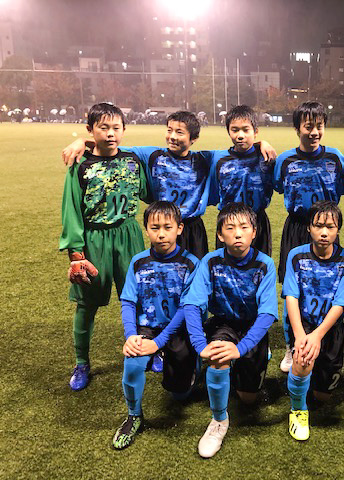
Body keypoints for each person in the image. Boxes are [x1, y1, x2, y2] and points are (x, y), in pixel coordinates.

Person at [61, 111, 276, 259]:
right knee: (164, 276)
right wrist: (84, 141)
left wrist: (260, 144)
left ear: (193, 138)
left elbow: (238, 151)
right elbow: (114, 147)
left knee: (196, 278)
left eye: (179, 132)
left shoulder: (204, 159)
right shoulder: (152, 155)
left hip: (193, 228)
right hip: (164, 226)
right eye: (169, 130)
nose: (172, 137)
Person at [59, 102, 149, 391]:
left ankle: (147, 348)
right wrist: (76, 253)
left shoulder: (133, 161)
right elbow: (71, 209)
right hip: (95, 239)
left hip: (129, 235)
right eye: (103, 127)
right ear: (90, 129)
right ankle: (81, 362)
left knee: (138, 298)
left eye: (116, 128)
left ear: (124, 130)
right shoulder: (80, 166)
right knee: (87, 304)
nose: (111, 133)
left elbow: (148, 192)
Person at [181, 202, 278, 459]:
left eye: (244, 227)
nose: (237, 234)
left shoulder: (265, 264)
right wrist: (201, 346)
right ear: (220, 234)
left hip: (252, 326)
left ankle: (257, 354)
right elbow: (192, 304)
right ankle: (218, 420)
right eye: (230, 228)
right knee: (217, 354)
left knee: (248, 399)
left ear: (254, 232)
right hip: (223, 324)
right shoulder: (210, 261)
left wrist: (242, 348)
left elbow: (267, 314)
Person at [113, 201, 199, 450]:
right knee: (132, 364)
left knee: (180, 395)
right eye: (154, 228)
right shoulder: (138, 262)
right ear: (146, 230)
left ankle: (192, 364)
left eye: (167, 227)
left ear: (179, 229)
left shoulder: (192, 264)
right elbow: (128, 302)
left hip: (178, 329)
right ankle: (134, 416)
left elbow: (187, 310)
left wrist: (159, 343)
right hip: (146, 328)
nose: (161, 234)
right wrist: (131, 336)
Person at [274, 101, 344, 372]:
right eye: (308, 126)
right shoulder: (285, 160)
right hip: (296, 228)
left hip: (326, 229)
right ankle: (292, 344)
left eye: (319, 126)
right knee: (292, 290)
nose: (314, 132)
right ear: (297, 128)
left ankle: (324, 338)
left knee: (327, 285)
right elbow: (276, 184)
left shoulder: (335, 158)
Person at [282, 201, 344, 441]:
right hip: (303, 324)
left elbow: (342, 303)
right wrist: (300, 336)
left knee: (323, 396)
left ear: (338, 230)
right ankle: (298, 410)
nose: (324, 232)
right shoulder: (296, 255)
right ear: (309, 228)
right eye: (318, 226)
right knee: (303, 357)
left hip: (330, 328)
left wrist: (318, 335)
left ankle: (309, 376)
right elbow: (291, 297)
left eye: (330, 227)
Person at [210, 105, 275, 256]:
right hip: (229, 223)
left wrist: (261, 144)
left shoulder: (266, 158)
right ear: (228, 131)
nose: (240, 135)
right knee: (225, 267)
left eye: (246, 130)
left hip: (258, 222)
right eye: (235, 130)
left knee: (260, 266)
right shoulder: (219, 160)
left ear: (255, 131)